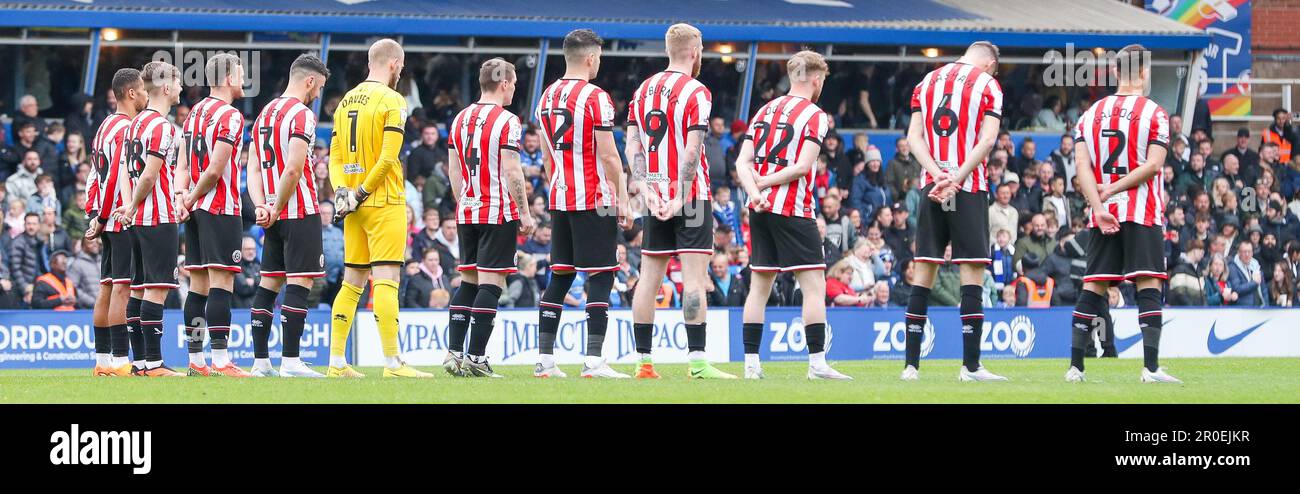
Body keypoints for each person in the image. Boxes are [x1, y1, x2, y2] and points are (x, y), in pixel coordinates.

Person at [733, 51, 849, 379]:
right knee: (814, 286)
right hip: (793, 208)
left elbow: (742, 163)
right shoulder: (815, 114)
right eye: (822, 81)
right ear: (815, 79)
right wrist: (767, 183)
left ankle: (751, 365)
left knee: (760, 286)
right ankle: (817, 364)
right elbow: (802, 167)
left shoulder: (765, 110)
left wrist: (755, 192)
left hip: (760, 209)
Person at [1066, 44, 1179, 384]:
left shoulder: (1090, 115)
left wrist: (1098, 207)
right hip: (1141, 212)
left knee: (1094, 285)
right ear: (1145, 73)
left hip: (1103, 214)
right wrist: (1114, 190)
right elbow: (1154, 165)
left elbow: (1081, 167)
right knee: (1147, 284)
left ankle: (1075, 367)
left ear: (1115, 72)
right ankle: (1151, 368)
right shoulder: (1154, 113)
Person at [626, 23, 733, 379]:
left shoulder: (642, 90)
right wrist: (681, 196)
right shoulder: (696, 91)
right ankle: (698, 363)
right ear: (694, 51)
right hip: (690, 196)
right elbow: (691, 149)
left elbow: (633, 148)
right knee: (693, 280)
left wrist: (648, 189)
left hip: (655, 193)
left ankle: (643, 362)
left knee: (648, 280)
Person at [527, 30, 632, 378]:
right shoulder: (595, 97)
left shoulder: (546, 97)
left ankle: (545, 361)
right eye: (599, 57)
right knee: (602, 275)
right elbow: (610, 156)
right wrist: (623, 200)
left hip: (560, 196)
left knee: (560, 275)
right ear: (590, 58)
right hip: (594, 197)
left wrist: (559, 183)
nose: (599, 63)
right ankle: (593, 361)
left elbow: (544, 155)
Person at [326, 39, 430, 378]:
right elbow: (388, 159)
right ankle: (391, 362)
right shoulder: (393, 100)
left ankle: (337, 362)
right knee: (386, 279)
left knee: (352, 280)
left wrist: (344, 192)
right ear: (394, 63)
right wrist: (362, 192)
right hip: (382, 200)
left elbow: (335, 156)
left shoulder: (344, 103)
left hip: (352, 205)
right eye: (400, 66)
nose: (400, 70)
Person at [903, 41, 1007, 382]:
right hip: (968, 186)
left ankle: (910, 368)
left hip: (931, 185)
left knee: (924, 271)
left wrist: (937, 174)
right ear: (990, 63)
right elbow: (988, 141)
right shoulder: (988, 84)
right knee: (972, 273)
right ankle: (971, 367)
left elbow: (913, 137)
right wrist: (956, 178)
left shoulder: (926, 82)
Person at [442, 57, 535, 378]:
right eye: (514, 84)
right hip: (497, 211)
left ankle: (454, 353)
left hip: (468, 210)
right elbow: (512, 168)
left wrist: (463, 200)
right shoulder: (507, 120)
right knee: (491, 283)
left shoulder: (460, 118)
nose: (514, 90)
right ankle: (477, 357)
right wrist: (524, 211)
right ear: (505, 83)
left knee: (468, 281)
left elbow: (453, 168)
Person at [242, 54, 332, 378]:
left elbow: (251, 167)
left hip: (271, 212)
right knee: (300, 281)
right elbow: (294, 169)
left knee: (268, 283)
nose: (318, 94)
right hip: (299, 208)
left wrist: (262, 207)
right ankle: (291, 361)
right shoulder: (302, 115)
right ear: (309, 81)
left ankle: (260, 362)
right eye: (319, 87)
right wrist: (278, 205)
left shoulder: (265, 112)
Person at [170, 53, 250, 377]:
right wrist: (190, 196)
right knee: (222, 282)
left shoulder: (193, 114)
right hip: (220, 207)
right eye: (242, 74)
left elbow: (183, 165)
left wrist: (181, 197)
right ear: (229, 78)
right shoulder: (230, 116)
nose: (244, 80)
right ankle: (220, 360)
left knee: (198, 284)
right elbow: (216, 170)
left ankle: (196, 360)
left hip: (194, 210)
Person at [111, 60, 185, 377]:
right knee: (156, 289)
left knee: (139, 289)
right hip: (158, 217)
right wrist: (133, 204)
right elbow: (149, 175)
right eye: (178, 82)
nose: (182, 88)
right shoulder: (161, 127)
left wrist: (130, 206)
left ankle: (140, 362)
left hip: (140, 219)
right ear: (166, 87)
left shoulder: (135, 124)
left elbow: (127, 172)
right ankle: (155, 364)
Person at [81, 68, 147, 376]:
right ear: (131, 93)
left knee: (106, 286)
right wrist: (105, 216)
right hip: (118, 216)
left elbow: (94, 175)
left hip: (104, 214)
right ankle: (121, 361)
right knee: (122, 287)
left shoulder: (105, 124)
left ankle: (102, 361)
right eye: (144, 90)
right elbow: (112, 181)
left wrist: (92, 214)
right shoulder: (126, 129)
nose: (147, 95)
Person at [1228, 240, 1265, 306]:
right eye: (1244, 252)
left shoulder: (1256, 266)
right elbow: (1237, 288)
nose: (1247, 254)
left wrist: (1266, 306)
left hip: (1260, 306)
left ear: (1252, 253)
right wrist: (1254, 283)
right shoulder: (1233, 267)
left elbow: (1264, 290)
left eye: (1249, 252)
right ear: (1239, 253)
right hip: (1243, 308)